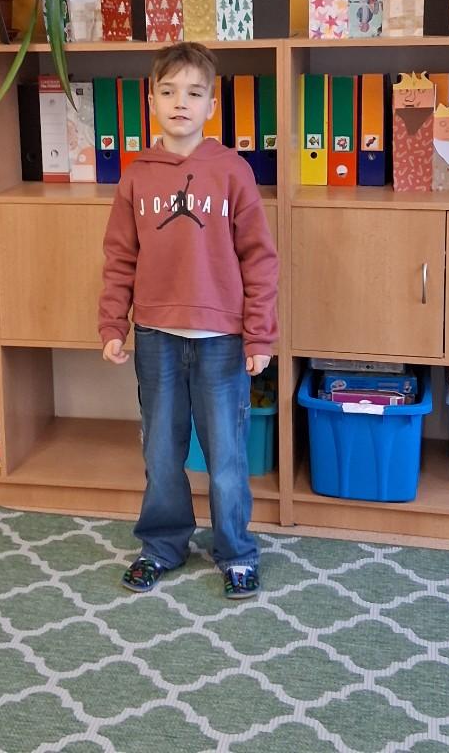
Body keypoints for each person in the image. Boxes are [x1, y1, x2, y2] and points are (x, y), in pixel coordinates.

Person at [98, 42, 278, 599]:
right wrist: (113, 324)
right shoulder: (137, 176)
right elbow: (119, 257)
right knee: (160, 452)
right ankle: (161, 546)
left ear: (211, 106)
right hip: (156, 337)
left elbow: (259, 258)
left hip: (222, 340)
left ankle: (236, 552)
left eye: (194, 93)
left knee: (226, 456)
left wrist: (260, 333)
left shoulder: (232, 172)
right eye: (169, 91)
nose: (181, 103)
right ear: (152, 100)